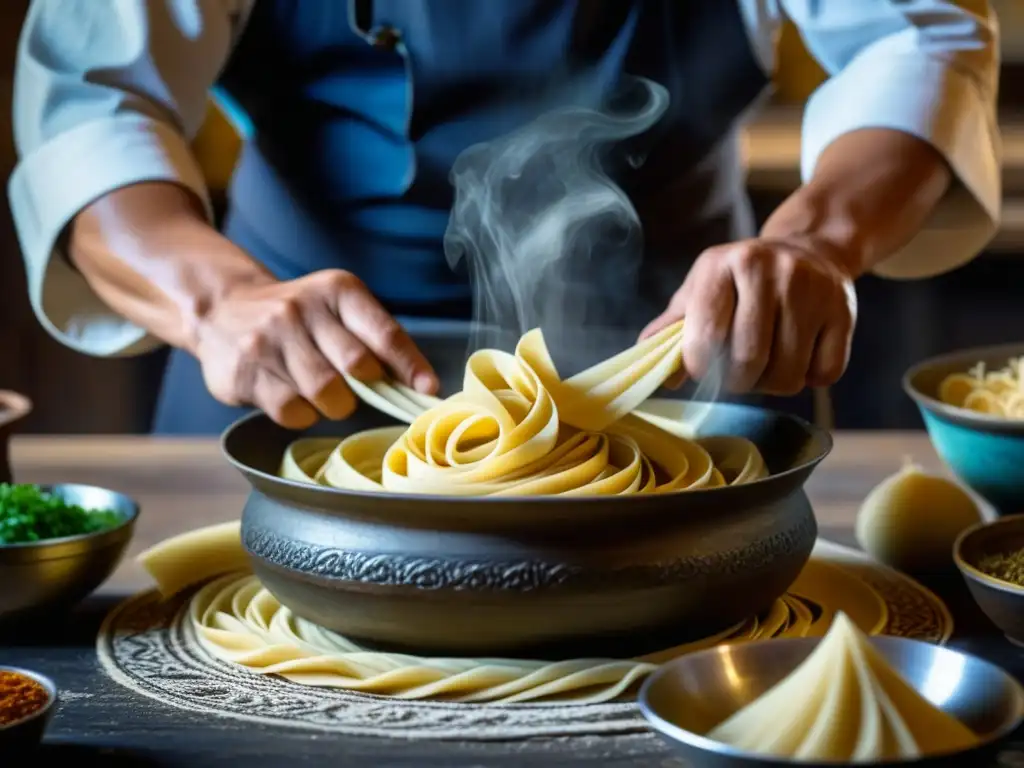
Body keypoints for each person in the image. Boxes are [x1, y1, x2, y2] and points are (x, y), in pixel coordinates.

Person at [8, 0, 1001, 435]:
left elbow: (915, 42)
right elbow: (95, 102)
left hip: (680, 369)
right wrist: (217, 298)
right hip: (290, 380)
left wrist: (808, 243)